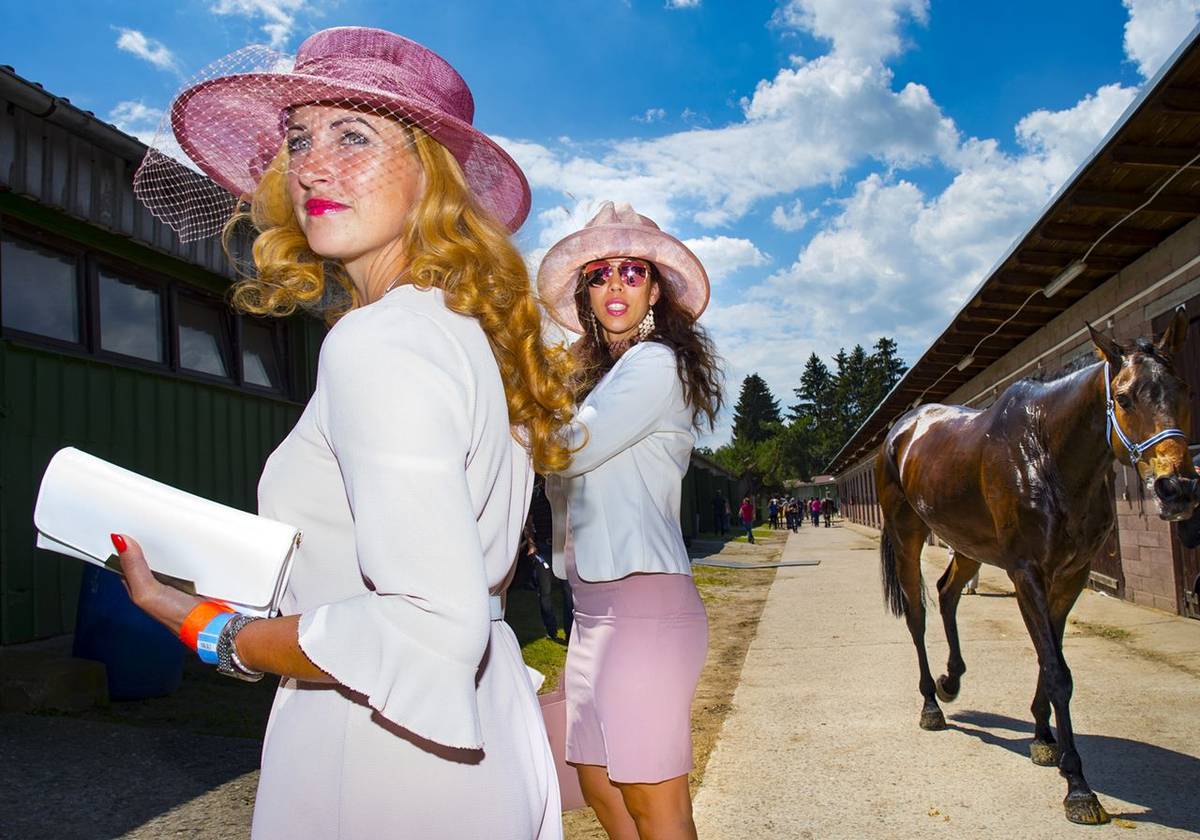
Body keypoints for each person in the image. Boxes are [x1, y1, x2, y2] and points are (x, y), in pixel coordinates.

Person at [116, 27, 571, 838]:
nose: (312, 167)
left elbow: (427, 621)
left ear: (434, 176)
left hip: (383, 751)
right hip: (470, 731)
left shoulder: (381, 339)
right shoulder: (463, 331)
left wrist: (221, 635)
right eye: (298, 141)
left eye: (353, 135)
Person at [538, 201, 722, 840]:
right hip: (591, 609)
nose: (615, 285)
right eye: (600, 274)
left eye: (632, 272)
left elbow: (566, 446)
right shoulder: (597, 380)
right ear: (586, 292)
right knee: (597, 786)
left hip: (643, 603)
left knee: (652, 800)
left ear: (655, 290)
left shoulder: (654, 364)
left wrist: (496, 411)